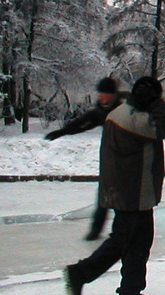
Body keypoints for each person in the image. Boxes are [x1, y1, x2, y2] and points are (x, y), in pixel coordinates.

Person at [63, 76, 165, 295]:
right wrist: (156, 103)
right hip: (133, 191)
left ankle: (129, 292)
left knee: (135, 240)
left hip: (123, 188)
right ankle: (82, 273)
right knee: (126, 240)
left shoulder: (120, 112)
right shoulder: (135, 119)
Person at [45, 77, 123, 241]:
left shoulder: (123, 108)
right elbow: (85, 122)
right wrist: (63, 132)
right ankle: (96, 230)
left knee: (122, 196)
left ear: (112, 94)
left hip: (128, 158)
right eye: (99, 93)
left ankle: (124, 230)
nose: (100, 96)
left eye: (104, 94)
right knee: (105, 194)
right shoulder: (102, 109)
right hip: (112, 158)